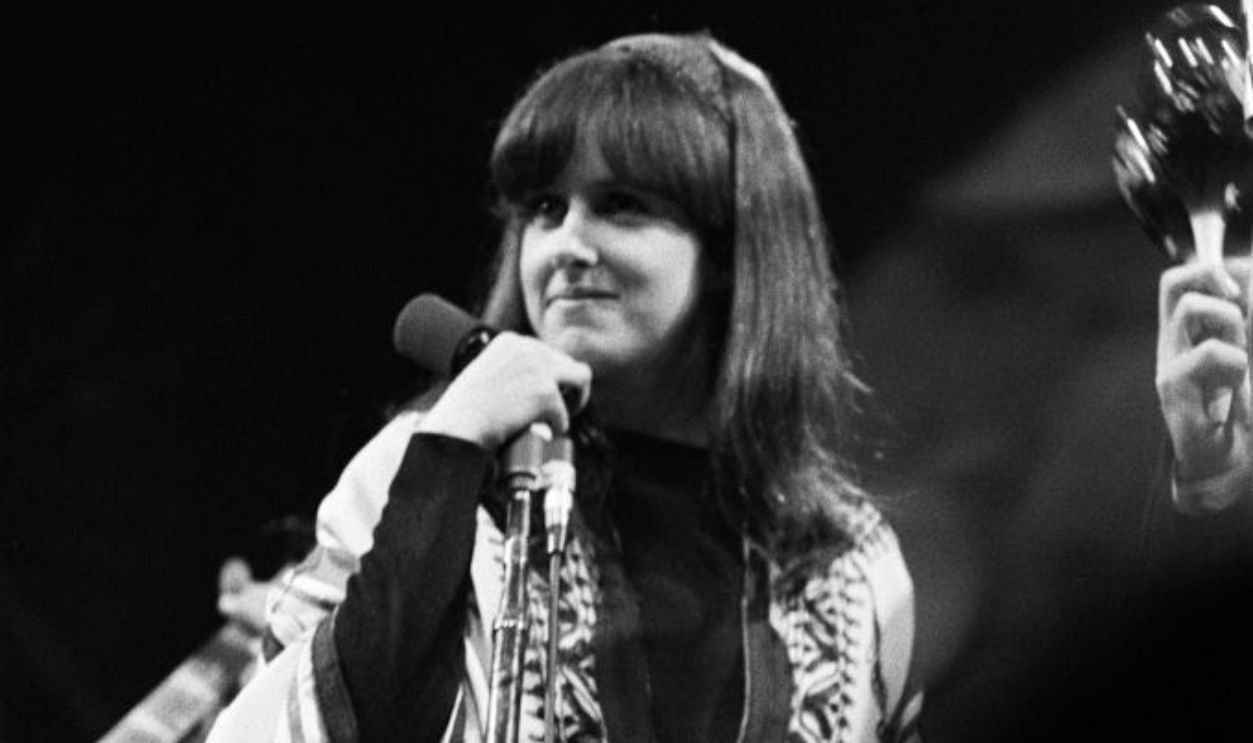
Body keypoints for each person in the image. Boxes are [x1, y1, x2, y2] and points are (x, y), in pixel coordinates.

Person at [206, 31, 922, 743]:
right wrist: (451, 450)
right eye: (545, 209)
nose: (566, 248)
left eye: (621, 204)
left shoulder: (849, 563)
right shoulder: (427, 469)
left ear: (729, 251)